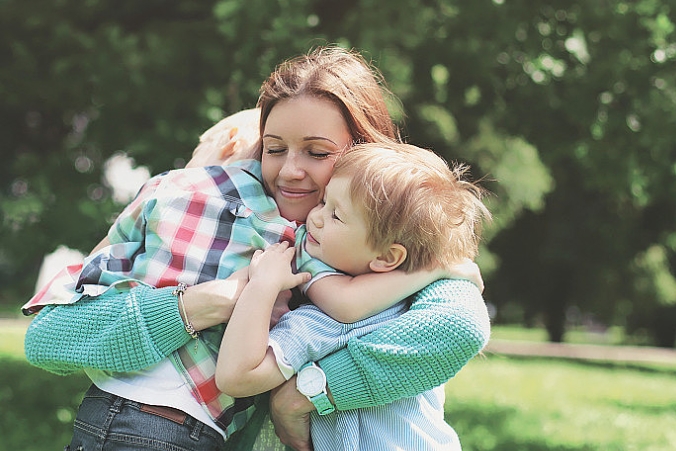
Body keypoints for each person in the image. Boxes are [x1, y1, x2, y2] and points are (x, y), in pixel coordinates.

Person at [22, 46, 491, 451]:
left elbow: (457, 327)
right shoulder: (215, 207)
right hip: (145, 422)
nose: (289, 171)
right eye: (272, 148)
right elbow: (47, 337)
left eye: (318, 152)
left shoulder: (404, 232)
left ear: (364, 155)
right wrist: (203, 303)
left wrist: (304, 395)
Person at [218, 142, 490, 450]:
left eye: (335, 215)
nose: (315, 218)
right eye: (322, 202)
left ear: (388, 258)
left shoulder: (329, 324)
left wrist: (262, 285)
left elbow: (236, 377)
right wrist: (436, 269)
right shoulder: (418, 309)